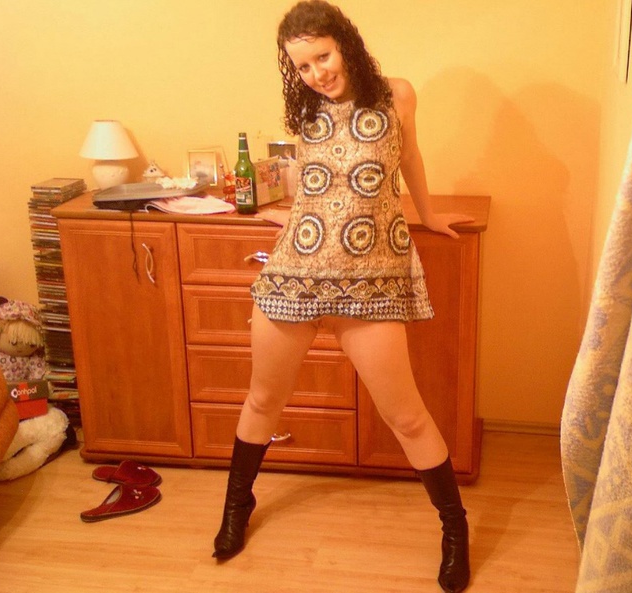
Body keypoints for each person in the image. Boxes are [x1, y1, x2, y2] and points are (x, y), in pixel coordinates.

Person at [212, 2, 474, 591]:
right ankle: (236, 507)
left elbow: (409, 158)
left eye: (323, 57)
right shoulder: (304, 109)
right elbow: (315, 180)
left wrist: (429, 215)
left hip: (371, 278)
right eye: (303, 66)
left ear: (346, 43)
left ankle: (455, 529)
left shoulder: (397, 94)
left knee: (405, 414)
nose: (316, 74)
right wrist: (289, 215)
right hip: (296, 271)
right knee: (263, 399)